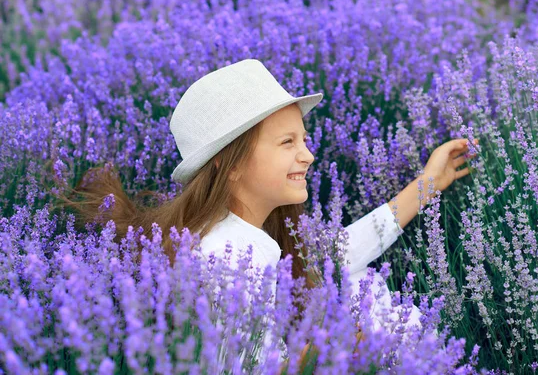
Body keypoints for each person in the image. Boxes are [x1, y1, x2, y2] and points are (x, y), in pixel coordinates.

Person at [58, 58, 478, 372]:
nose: (308, 155)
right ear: (232, 163)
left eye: (305, 139)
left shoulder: (232, 230)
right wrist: (348, 345)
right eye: (287, 142)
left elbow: (330, 257)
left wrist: (426, 186)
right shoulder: (229, 255)